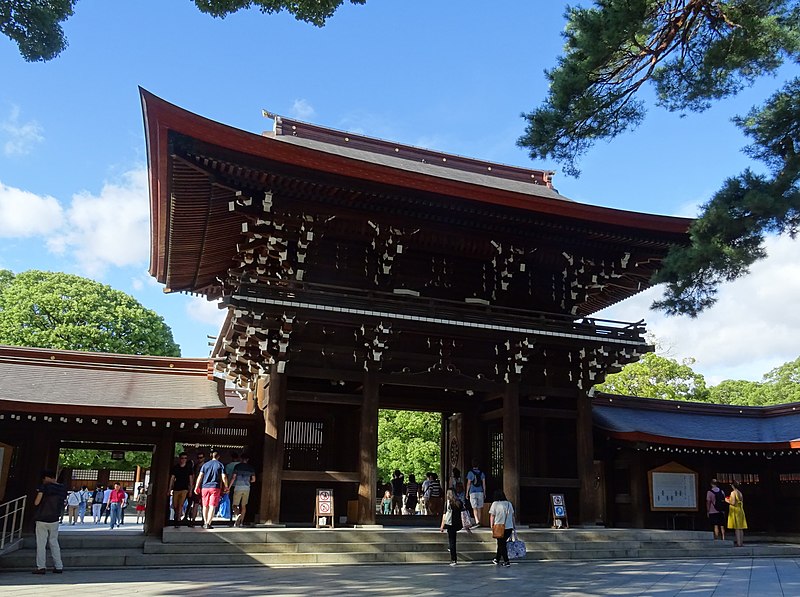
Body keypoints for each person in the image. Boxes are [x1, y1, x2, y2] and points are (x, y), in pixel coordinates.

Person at [32, 469, 67, 574]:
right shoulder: (62, 488)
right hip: (55, 518)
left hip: (42, 518)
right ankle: (59, 566)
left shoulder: (44, 487)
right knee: (54, 542)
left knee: (41, 543)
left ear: (47, 478)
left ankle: (41, 567)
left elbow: (36, 502)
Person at [193, 449, 229, 529]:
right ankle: (208, 523)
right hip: (215, 487)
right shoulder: (220, 465)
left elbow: (200, 476)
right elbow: (224, 476)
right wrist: (226, 486)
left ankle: (205, 522)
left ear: (211, 456)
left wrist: (196, 486)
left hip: (204, 487)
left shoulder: (205, 465)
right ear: (218, 456)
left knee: (205, 505)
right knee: (212, 505)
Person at [489, 489, 515, 567]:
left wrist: (491, 525)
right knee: (501, 543)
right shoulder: (509, 504)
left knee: (501, 544)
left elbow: (492, 516)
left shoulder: (495, 504)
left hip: (499, 526)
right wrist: (514, 526)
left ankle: (506, 561)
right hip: (509, 526)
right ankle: (497, 558)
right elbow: (512, 515)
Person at [229, 453, 256, 527]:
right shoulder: (251, 468)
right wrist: (248, 482)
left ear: (241, 459)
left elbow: (233, 477)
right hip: (247, 488)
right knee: (243, 506)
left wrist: (228, 487)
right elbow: (253, 480)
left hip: (238, 487)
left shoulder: (237, 466)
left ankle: (238, 515)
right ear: (248, 460)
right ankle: (241, 522)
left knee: (234, 505)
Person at [169, 452, 194, 528]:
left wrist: (190, 490)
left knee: (180, 505)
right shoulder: (175, 468)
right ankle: (177, 517)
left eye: (185, 458)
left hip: (185, 489)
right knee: (175, 505)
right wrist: (169, 489)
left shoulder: (188, 468)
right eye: (182, 458)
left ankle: (178, 520)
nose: (184, 460)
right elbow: (172, 479)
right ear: (180, 459)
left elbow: (191, 480)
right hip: (176, 488)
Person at [440, 488, 464, 566]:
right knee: (453, 540)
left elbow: (444, 515)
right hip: (457, 523)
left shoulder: (448, 503)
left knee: (451, 540)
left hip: (450, 523)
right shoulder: (459, 502)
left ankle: (453, 559)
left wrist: (442, 525)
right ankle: (453, 557)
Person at [466, 459, 486, 528]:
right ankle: (479, 521)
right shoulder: (482, 473)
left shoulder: (470, 473)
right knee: (479, 507)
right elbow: (484, 484)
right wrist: (484, 492)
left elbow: (468, 483)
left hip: (472, 492)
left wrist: (467, 493)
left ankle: (477, 521)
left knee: (474, 507)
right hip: (480, 491)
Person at [727, 480, 747, 547]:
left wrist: (727, 500)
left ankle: (738, 543)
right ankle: (741, 542)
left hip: (735, 511)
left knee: (737, 528)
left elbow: (732, 502)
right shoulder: (740, 493)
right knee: (740, 528)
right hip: (740, 510)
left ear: (733, 485)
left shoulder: (733, 493)